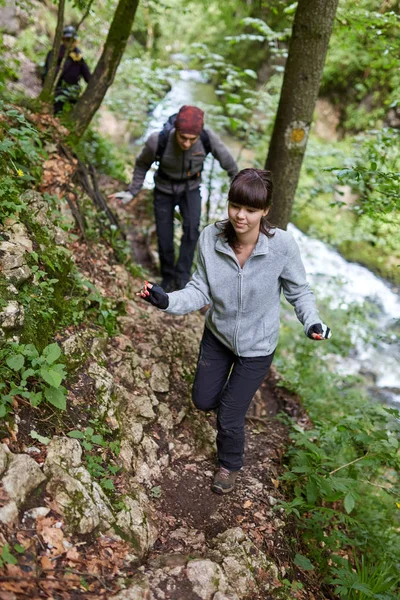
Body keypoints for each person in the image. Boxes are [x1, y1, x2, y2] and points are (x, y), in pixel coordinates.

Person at [137, 168, 331, 495]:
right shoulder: (211, 239)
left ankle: (229, 464)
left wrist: (311, 320)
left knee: (228, 414)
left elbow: (300, 292)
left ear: (265, 210)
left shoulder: (282, 246)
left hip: (257, 348)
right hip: (218, 336)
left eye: (251, 210)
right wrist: (167, 300)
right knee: (202, 400)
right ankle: (232, 403)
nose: (241, 216)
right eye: (235, 206)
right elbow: (199, 290)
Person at [111, 105, 238, 292]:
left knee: (192, 230)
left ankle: (183, 277)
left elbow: (229, 163)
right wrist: (132, 191)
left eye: (191, 139)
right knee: (164, 235)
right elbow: (141, 164)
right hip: (163, 189)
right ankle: (168, 278)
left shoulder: (207, 138)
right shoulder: (158, 140)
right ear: (175, 130)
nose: (186, 143)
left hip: (191, 189)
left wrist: (240, 187)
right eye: (182, 138)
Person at [42, 25, 91, 114]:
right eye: (68, 40)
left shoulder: (78, 56)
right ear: (63, 40)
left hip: (72, 92)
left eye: (73, 41)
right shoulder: (55, 53)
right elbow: (50, 74)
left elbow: (88, 77)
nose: (70, 43)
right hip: (57, 90)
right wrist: (68, 61)